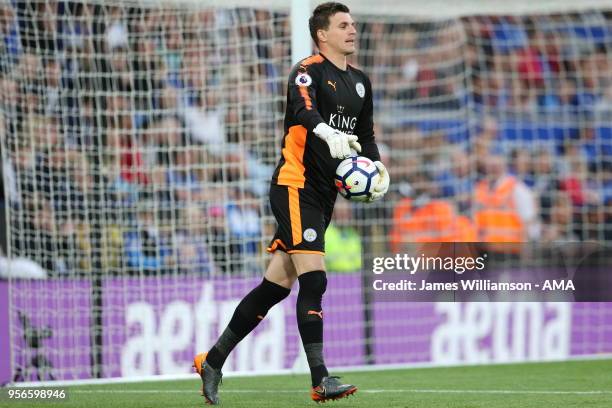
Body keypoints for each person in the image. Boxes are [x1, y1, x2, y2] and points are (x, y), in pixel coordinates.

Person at [192, 2, 389, 404]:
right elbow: (302, 109)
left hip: (324, 193)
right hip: (294, 184)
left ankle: (212, 360)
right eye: (344, 25)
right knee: (313, 279)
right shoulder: (307, 70)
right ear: (323, 34)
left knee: (274, 287)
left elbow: (365, 136)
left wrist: (378, 168)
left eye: (353, 24)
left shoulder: (361, 82)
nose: (353, 30)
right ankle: (320, 379)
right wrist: (325, 133)